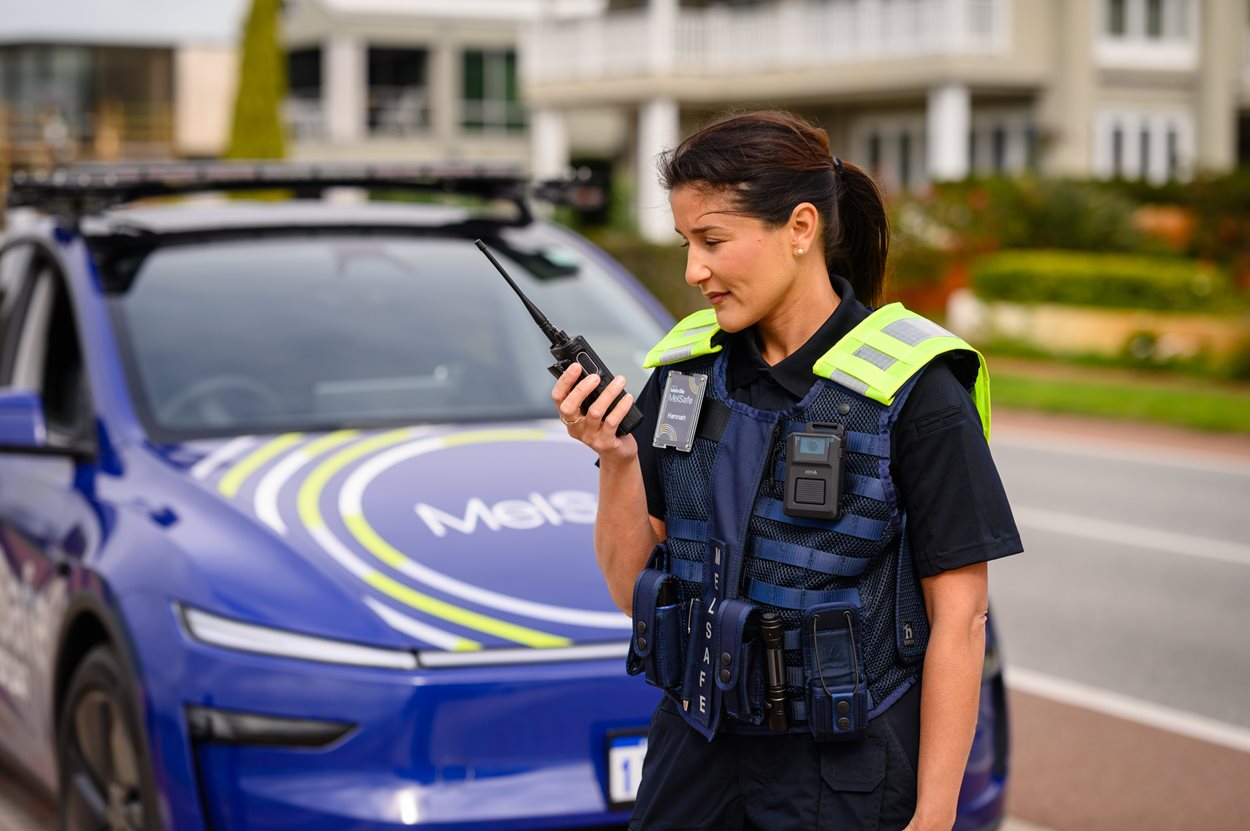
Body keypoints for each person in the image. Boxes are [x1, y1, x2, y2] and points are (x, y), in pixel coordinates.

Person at [552, 111, 1022, 831]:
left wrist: (935, 812)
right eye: (686, 243)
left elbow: (960, 621)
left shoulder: (917, 392)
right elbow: (629, 590)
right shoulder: (683, 377)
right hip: (694, 757)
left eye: (712, 240)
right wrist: (615, 459)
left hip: (845, 776)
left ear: (800, 228)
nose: (692, 270)